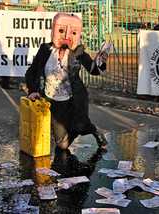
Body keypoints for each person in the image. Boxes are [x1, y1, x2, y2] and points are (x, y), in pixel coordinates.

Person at [25, 13, 108, 151]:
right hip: (52, 100)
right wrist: (32, 90)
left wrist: (101, 61)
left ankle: (94, 131)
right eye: (62, 31)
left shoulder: (78, 52)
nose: (67, 36)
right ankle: (75, 128)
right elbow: (31, 72)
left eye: (73, 32)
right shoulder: (45, 50)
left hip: (73, 98)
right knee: (62, 144)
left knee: (81, 125)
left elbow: (94, 70)